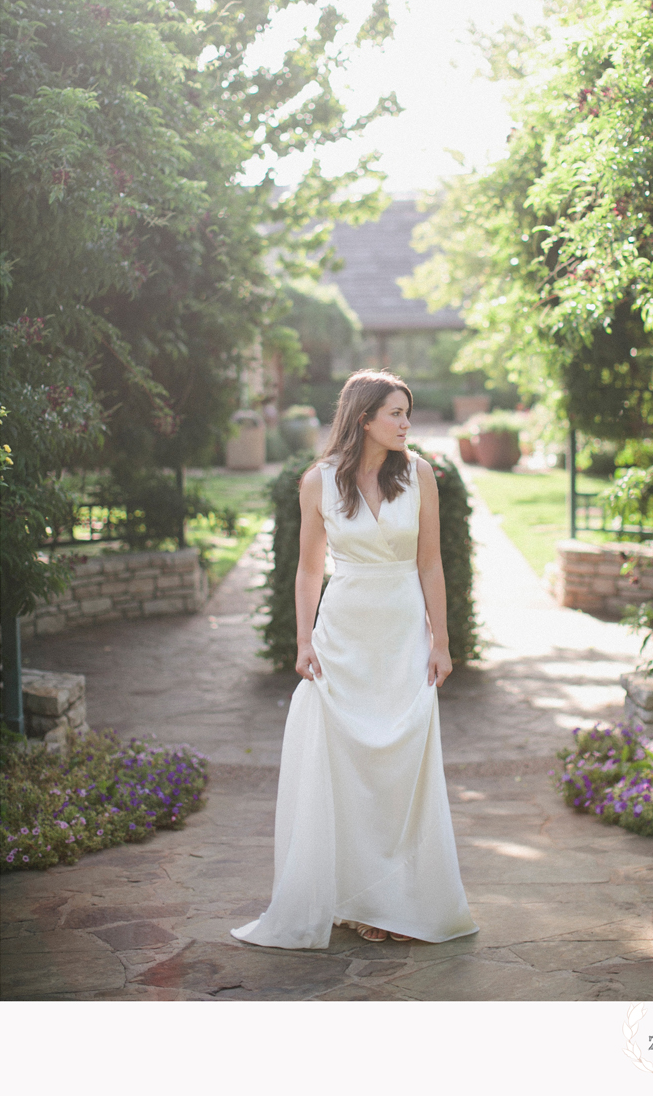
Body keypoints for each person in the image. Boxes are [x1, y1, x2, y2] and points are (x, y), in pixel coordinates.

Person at [231, 369, 478, 949]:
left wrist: (440, 640)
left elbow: (431, 565)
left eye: (406, 413)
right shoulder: (317, 482)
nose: (405, 423)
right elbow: (309, 568)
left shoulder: (420, 475)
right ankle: (350, 898)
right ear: (363, 417)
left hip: (401, 637)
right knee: (346, 766)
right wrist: (302, 639)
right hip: (342, 636)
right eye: (395, 412)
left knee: (398, 766)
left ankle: (400, 899)